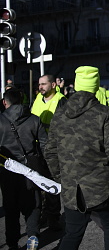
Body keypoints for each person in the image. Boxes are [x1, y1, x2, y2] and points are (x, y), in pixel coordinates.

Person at [45, 66, 109, 250]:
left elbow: (50, 151)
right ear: (95, 86)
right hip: (102, 186)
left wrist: (61, 177)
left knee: (72, 234)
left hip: (72, 188)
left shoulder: (60, 113)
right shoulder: (104, 112)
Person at [0, 88, 47, 250]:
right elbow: (44, 145)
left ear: (5, 102)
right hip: (30, 168)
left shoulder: (0, 120)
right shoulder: (34, 119)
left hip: (7, 169)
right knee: (33, 204)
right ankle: (32, 236)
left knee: (10, 208)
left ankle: (12, 247)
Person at [30, 74, 67, 231]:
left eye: (44, 84)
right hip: (38, 148)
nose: (40, 87)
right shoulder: (38, 98)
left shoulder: (61, 100)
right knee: (40, 183)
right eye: (39, 84)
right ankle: (45, 214)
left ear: (52, 85)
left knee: (52, 183)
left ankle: (53, 217)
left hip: (53, 149)